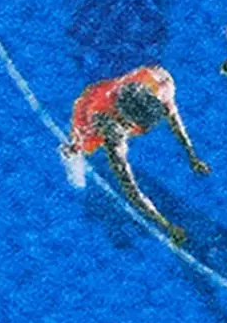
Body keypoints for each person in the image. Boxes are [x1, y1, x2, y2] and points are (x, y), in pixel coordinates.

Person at [60, 65, 209, 244]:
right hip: (90, 110)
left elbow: (174, 120)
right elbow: (130, 188)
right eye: (129, 127)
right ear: (124, 122)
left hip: (110, 94)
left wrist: (192, 156)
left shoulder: (160, 83)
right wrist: (166, 225)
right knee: (79, 148)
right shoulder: (107, 129)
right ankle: (71, 150)